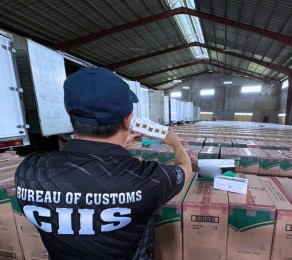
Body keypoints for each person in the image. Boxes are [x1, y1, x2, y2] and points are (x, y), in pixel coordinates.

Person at [15, 67, 192, 259]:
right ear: (128, 120)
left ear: (70, 113)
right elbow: (185, 168)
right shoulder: (146, 179)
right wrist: (174, 142)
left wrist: (117, 146)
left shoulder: (30, 170)